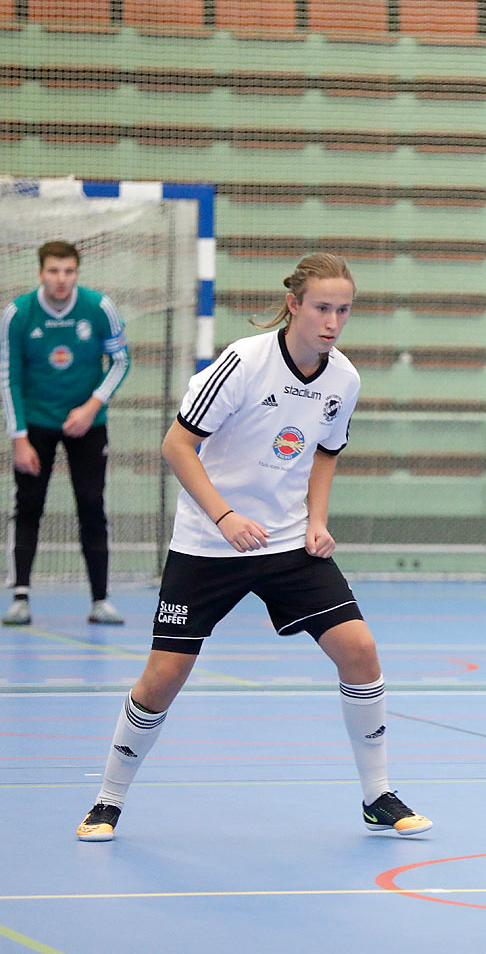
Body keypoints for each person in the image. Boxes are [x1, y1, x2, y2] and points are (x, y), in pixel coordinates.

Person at [75, 253, 431, 842]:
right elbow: (176, 446)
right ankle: (108, 799)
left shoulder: (344, 379)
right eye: (322, 307)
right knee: (164, 676)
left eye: (343, 310)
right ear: (294, 305)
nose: (332, 321)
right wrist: (225, 516)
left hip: (287, 543)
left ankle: (377, 795)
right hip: (208, 544)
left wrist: (317, 521)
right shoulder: (244, 361)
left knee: (360, 651)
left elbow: (325, 453)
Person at [2, 240, 130, 626]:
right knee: (28, 507)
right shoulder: (18, 314)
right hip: (36, 423)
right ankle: (20, 597)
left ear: (77, 272)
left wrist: (92, 407)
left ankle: (100, 600)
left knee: (92, 505)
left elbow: (121, 361)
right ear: (41, 273)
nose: (62, 279)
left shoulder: (99, 307)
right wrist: (18, 437)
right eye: (54, 271)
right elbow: (8, 378)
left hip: (87, 424)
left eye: (69, 271)